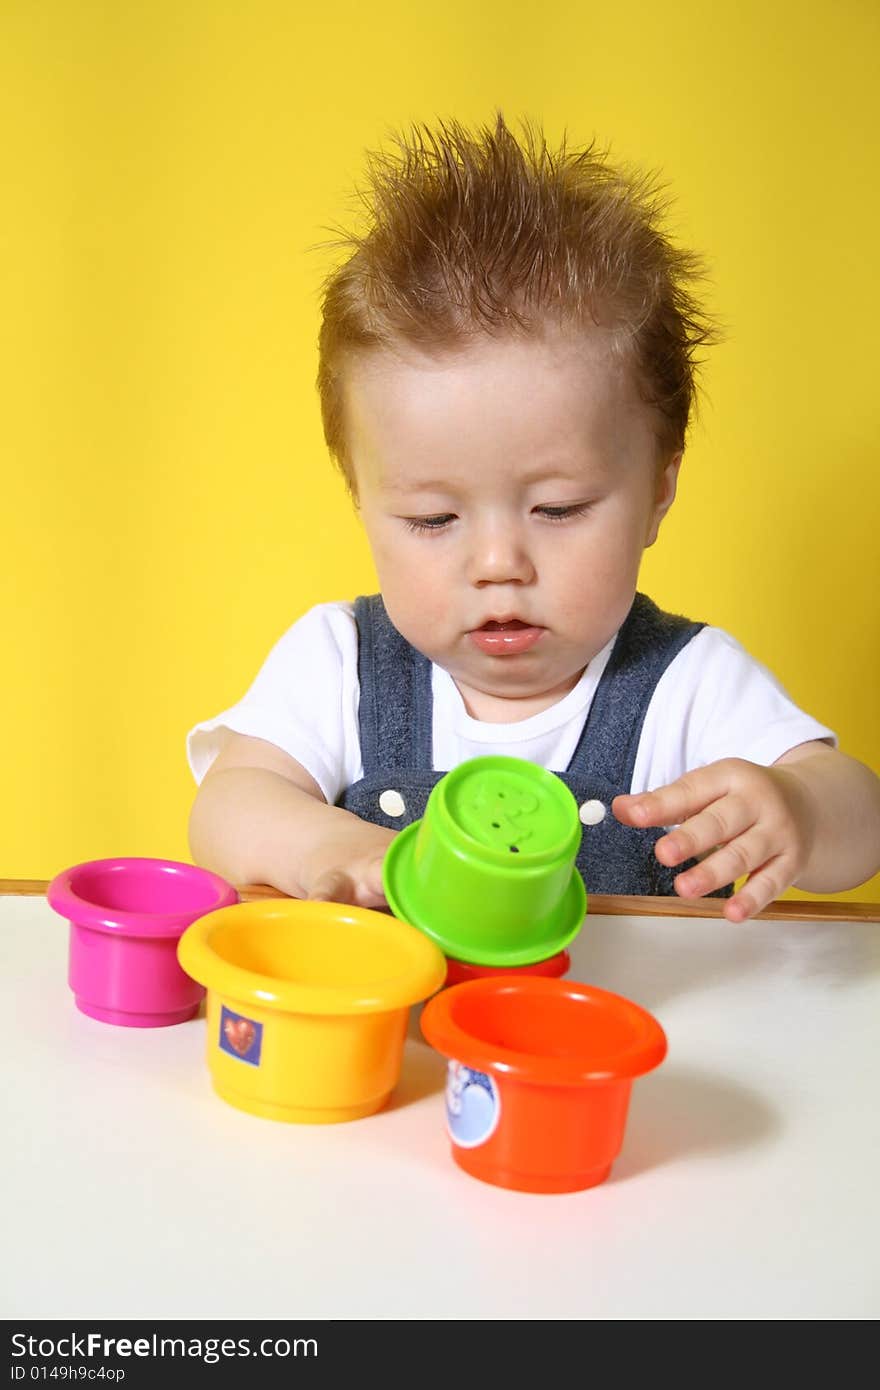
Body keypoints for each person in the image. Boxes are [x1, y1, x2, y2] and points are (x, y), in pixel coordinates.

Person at [186, 113, 880, 923]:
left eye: (558, 508)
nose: (498, 562)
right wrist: (329, 850)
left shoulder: (688, 687)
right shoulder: (339, 665)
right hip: (400, 1043)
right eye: (433, 518)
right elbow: (228, 805)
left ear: (659, 489)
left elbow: (861, 820)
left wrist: (796, 807)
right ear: (361, 499)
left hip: (619, 1043)